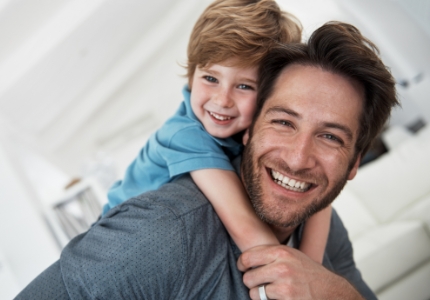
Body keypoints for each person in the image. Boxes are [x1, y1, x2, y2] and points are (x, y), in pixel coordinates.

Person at [16, 21, 398, 300]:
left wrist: (334, 292)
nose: (298, 159)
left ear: (353, 165)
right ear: (248, 131)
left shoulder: (323, 224)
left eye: (330, 137)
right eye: (283, 122)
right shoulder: (160, 232)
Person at [102, 0, 331, 263]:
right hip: (117, 240)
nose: (222, 100)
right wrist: (305, 279)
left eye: (244, 86)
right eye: (210, 78)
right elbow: (247, 230)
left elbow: (321, 200)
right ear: (191, 76)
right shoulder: (184, 135)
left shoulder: (252, 132)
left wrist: (313, 268)